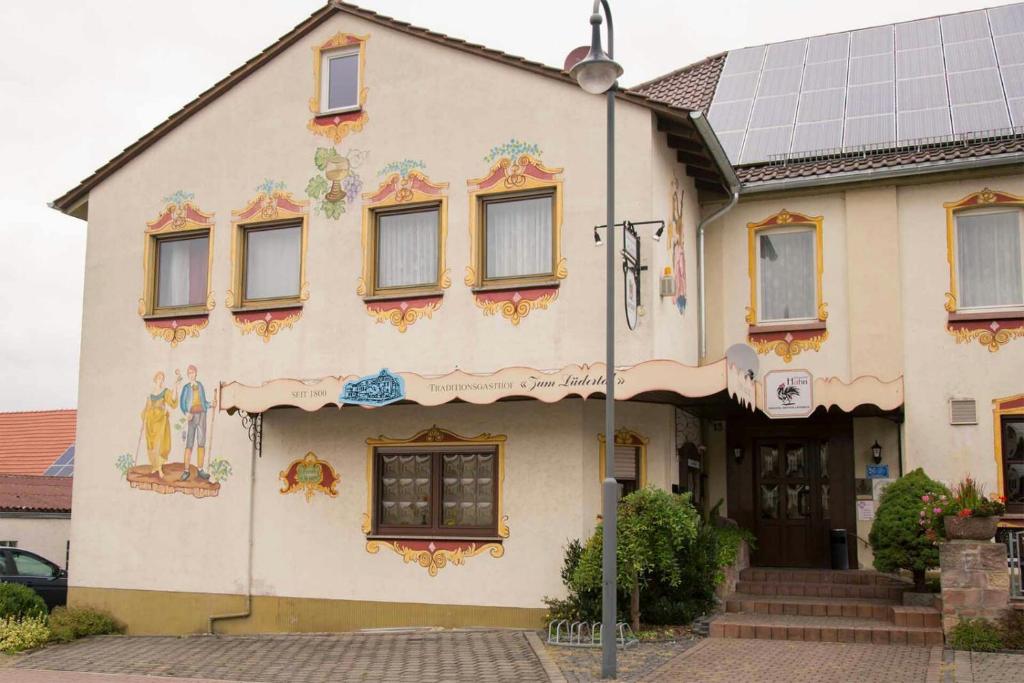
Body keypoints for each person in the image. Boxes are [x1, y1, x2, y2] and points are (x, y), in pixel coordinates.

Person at [141, 371, 180, 478]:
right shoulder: (151, 393)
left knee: (160, 445)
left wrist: (175, 386)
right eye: (158, 377)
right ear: (155, 379)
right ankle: (155, 466)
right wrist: (143, 419)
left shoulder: (165, 391)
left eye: (162, 378)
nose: (160, 379)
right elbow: (147, 407)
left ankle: (159, 468)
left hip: (161, 420)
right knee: (152, 445)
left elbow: (172, 400)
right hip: (151, 421)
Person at [179, 365, 213, 481]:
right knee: (189, 442)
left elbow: (204, 402)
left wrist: (211, 404)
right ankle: (186, 470)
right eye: (189, 373)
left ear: (196, 373)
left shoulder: (200, 386)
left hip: (202, 414)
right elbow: (182, 403)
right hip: (191, 416)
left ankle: (200, 469)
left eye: (192, 372)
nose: (191, 374)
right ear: (187, 375)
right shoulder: (186, 388)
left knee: (201, 441)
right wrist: (185, 412)